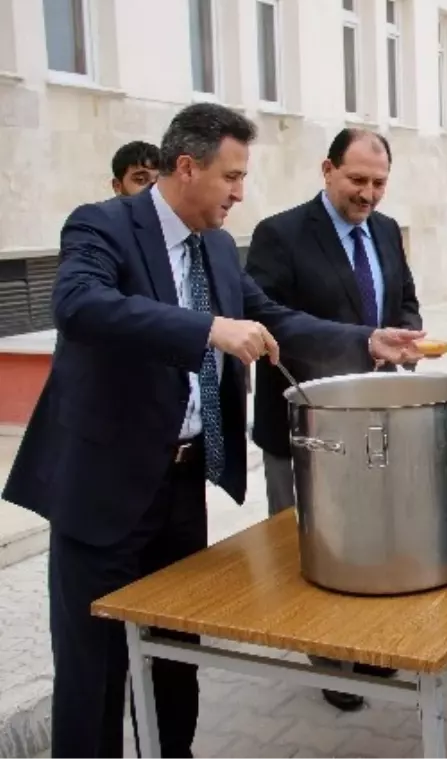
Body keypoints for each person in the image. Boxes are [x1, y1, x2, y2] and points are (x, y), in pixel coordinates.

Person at [0, 103, 424, 759]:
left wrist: (366, 339)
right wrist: (206, 329)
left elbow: (273, 317)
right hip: (102, 488)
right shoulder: (101, 225)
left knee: (175, 653)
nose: (239, 192)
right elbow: (81, 307)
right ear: (189, 166)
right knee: (97, 667)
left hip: (179, 483)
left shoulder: (220, 248)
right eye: (231, 177)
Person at [244, 128, 423, 711]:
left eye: (379, 183)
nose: (368, 195)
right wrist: (364, 342)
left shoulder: (389, 230)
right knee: (310, 543)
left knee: (374, 536)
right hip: (304, 420)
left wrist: (411, 334)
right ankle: (330, 660)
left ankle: (372, 646)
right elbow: (272, 319)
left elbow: (405, 298)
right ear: (327, 170)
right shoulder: (280, 234)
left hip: (376, 417)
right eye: (357, 181)